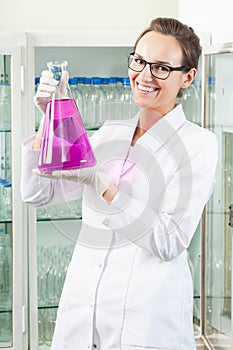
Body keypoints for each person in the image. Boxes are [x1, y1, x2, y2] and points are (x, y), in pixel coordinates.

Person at [21, 17, 218, 350]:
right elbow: (38, 192)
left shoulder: (199, 144)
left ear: (188, 77)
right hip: (82, 315)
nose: (144, 76)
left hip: (147, 326)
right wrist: (50, 116)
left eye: (161, 68)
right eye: (140, 61)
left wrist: (102, 184)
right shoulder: (111, 132)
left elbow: (168, 241)